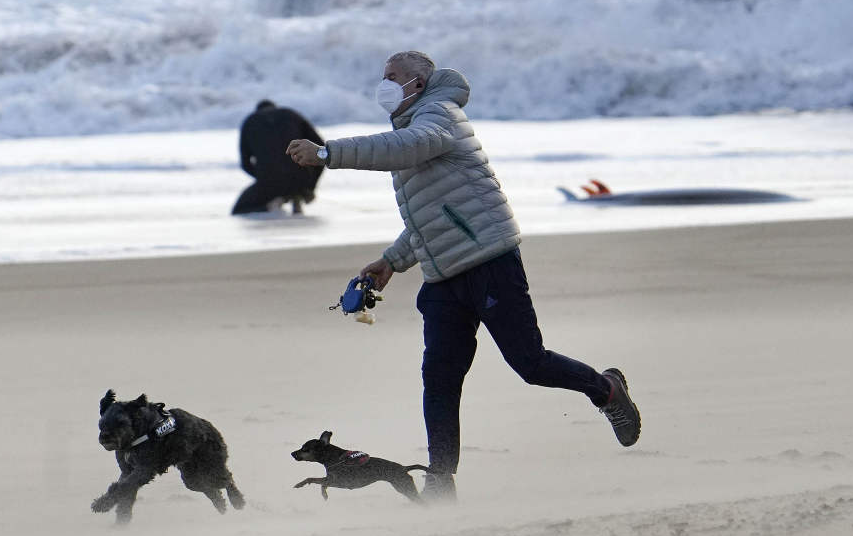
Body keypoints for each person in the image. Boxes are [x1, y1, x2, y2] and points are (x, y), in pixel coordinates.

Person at [287, 51, 640, 501]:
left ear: (418, 81)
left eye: (392, 77)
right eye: (382, 78)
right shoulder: (410, 126)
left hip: (489, 262)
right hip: (442, 280)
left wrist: (326, 153)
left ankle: (607, 390)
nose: (385, 85)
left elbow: (413, 146)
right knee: (439, 377)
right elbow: (434, 217)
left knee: (529, 363)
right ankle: (439, 479)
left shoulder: (439, 115)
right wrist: (393, 261)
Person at [233, 100, 323, 215]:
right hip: (300, 177)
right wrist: (310, 186)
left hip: (269, 182)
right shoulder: (291, 114)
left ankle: (270, 205)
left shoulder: (249, 121)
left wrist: (263, 179)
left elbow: (245, 164)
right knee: (297, 176)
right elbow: (321, 150)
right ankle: (297, 195)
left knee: (239, 209)